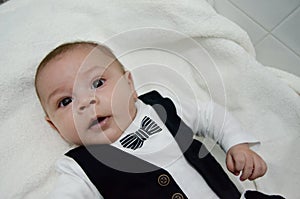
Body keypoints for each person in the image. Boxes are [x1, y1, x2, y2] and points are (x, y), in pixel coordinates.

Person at [35, 41, 281, 199]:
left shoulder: (158, 108)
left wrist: (237, 143)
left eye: (98, 83)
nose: (86, 102)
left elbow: (208, 114)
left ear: (130, 85)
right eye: (65, 101)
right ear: (54, 126)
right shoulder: (80, 168)